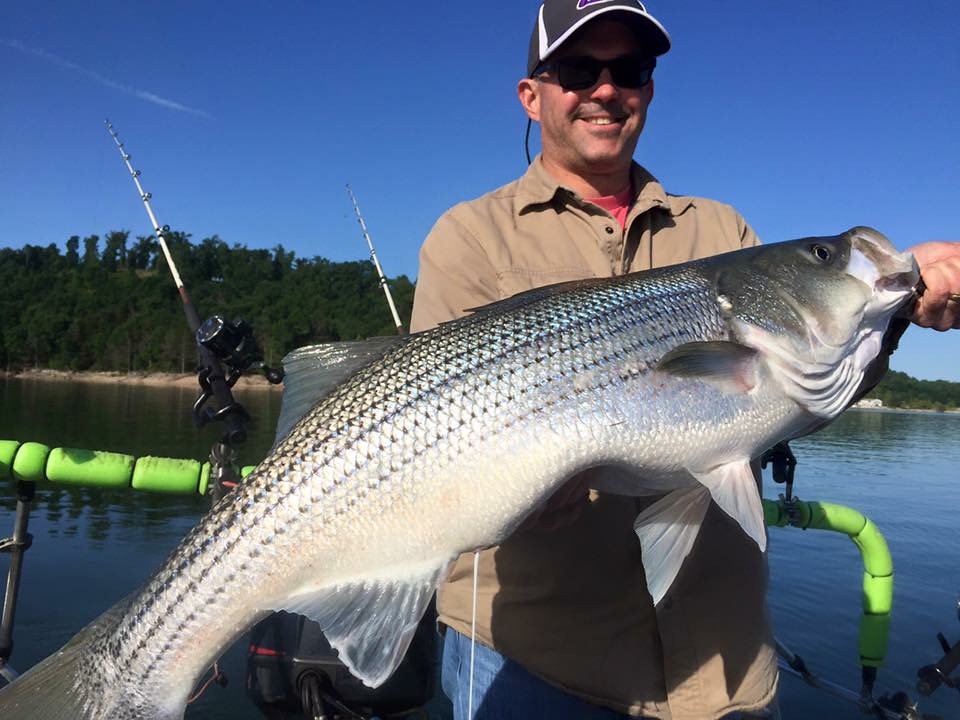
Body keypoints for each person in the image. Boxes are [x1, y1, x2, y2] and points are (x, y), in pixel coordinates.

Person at [409, 2, 960, 719]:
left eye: (630, 70)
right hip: (533, 668)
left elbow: (793, 395)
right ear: (532, 94)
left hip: (721, 670)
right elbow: (432, 447)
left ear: (650, 88)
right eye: (579, 69)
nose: (607, 90)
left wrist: (890, 319)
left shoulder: (723, 230)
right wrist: (514, 494)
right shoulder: (469, 238)